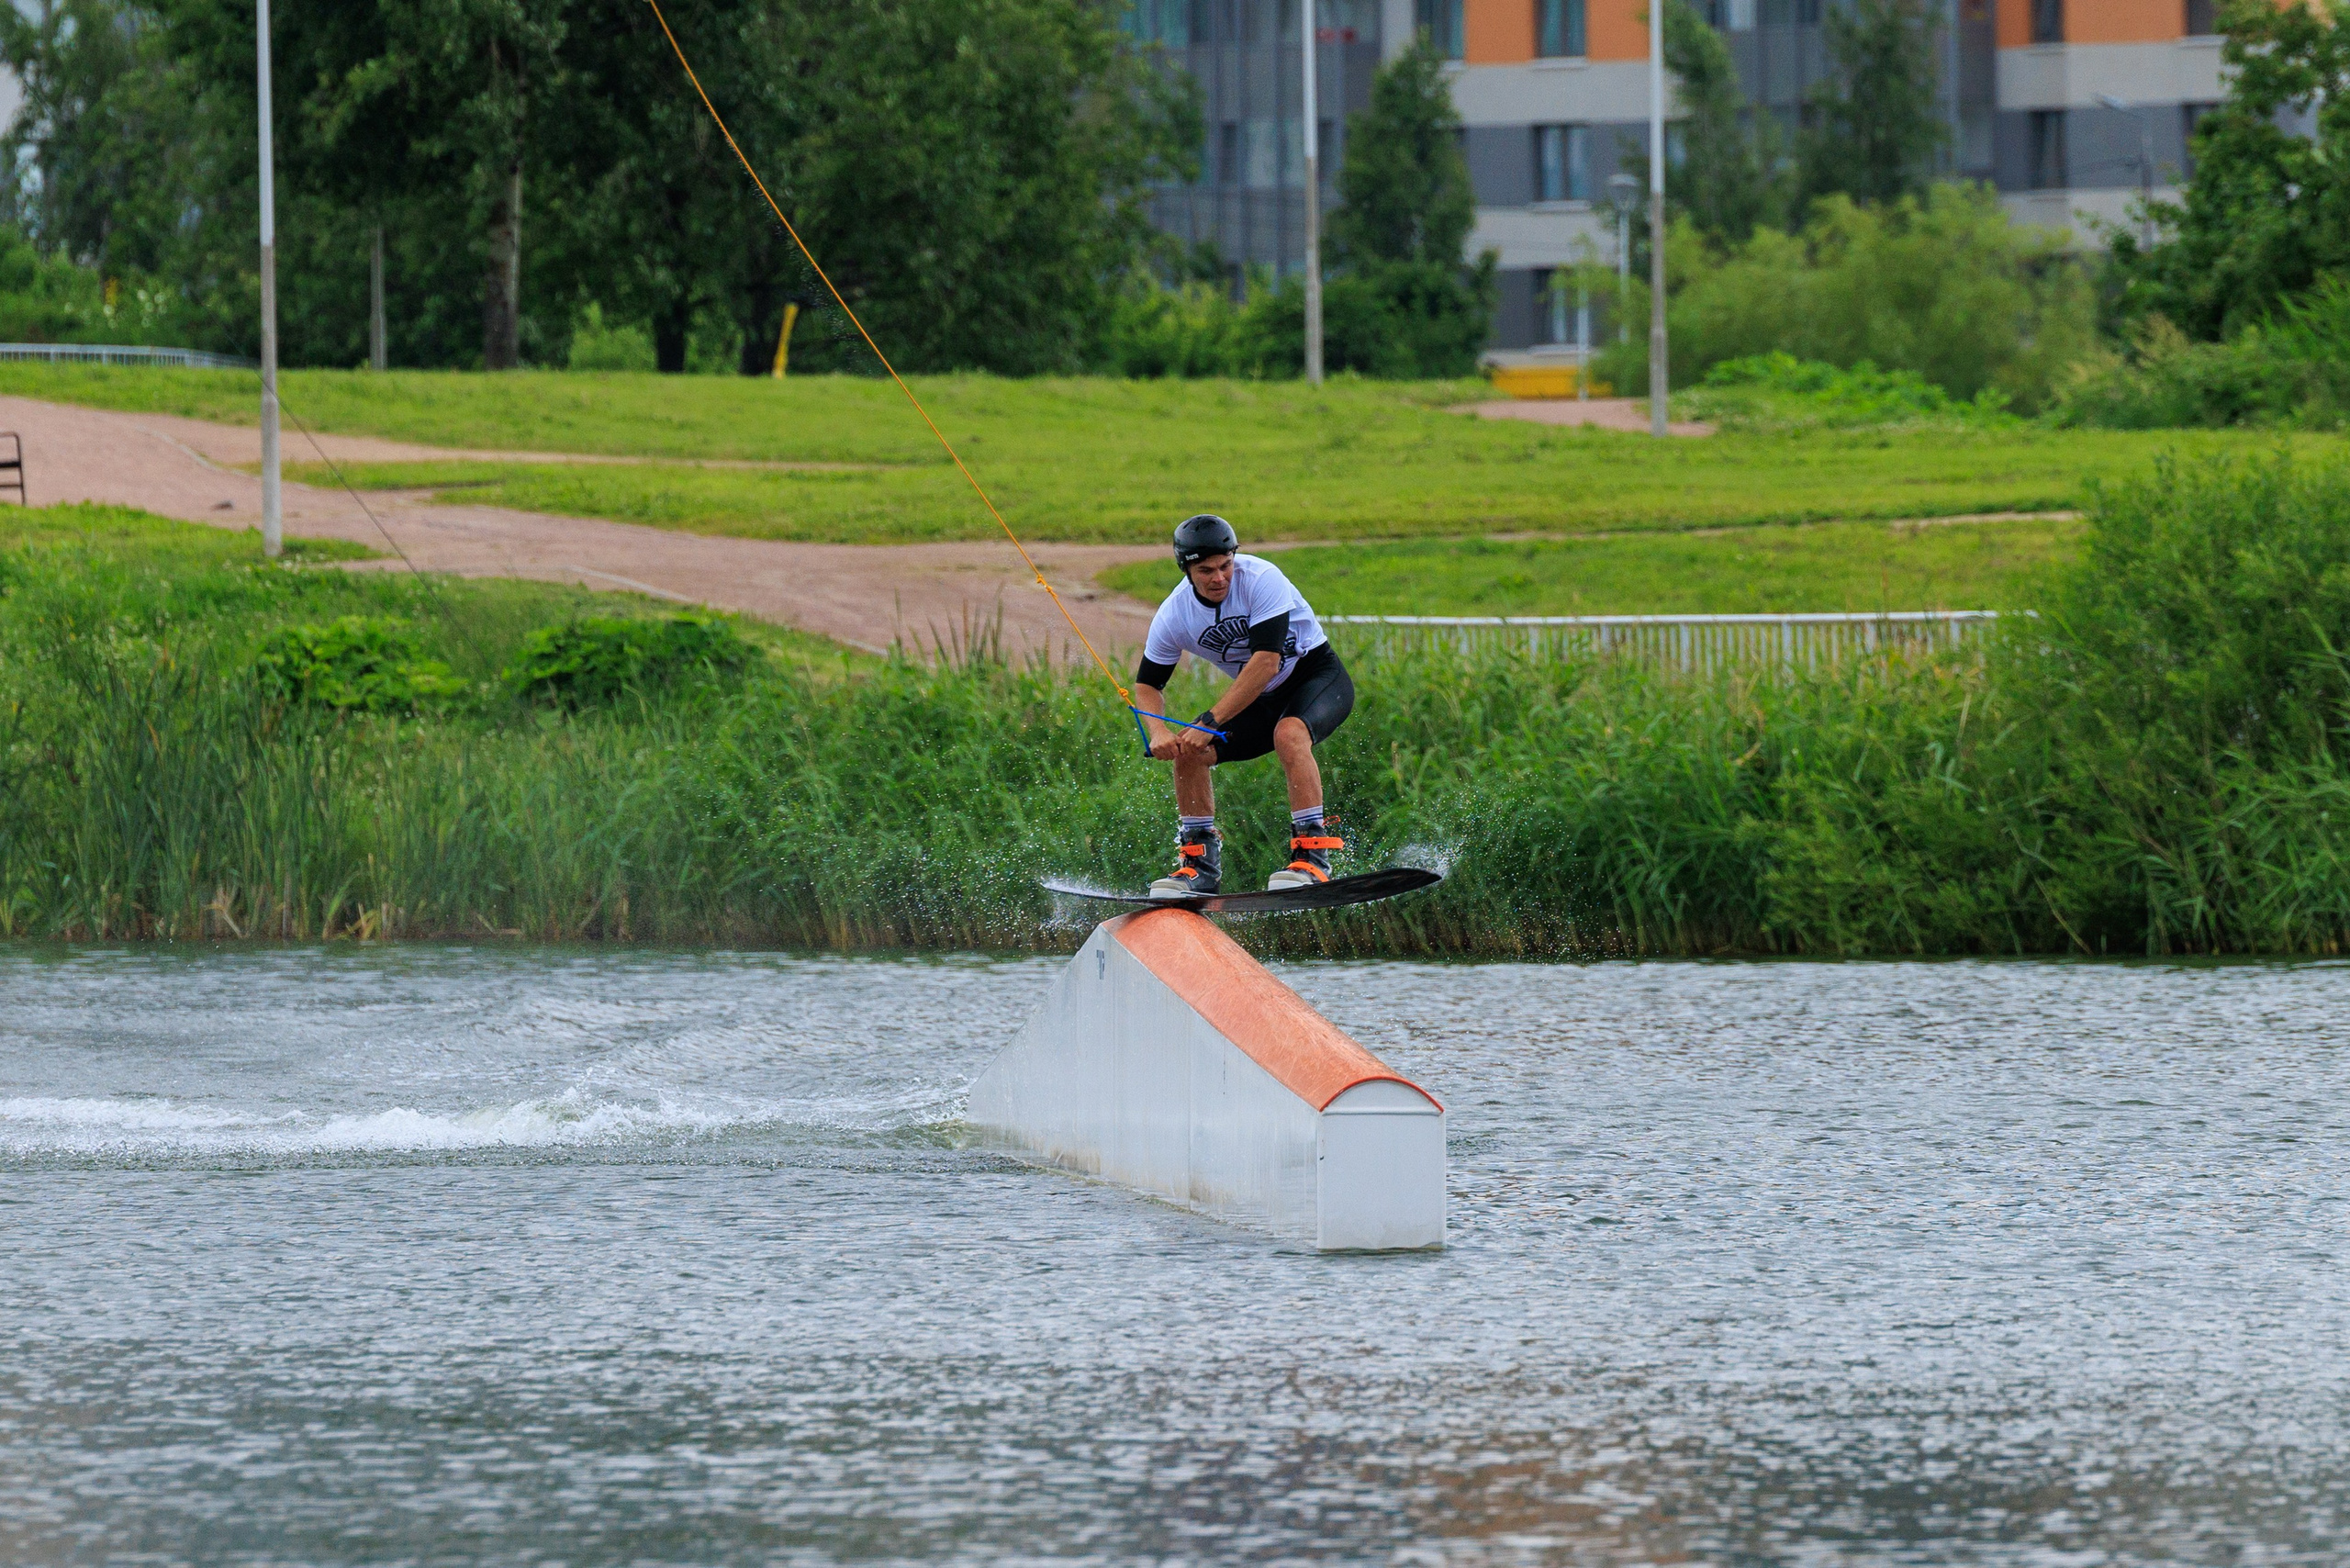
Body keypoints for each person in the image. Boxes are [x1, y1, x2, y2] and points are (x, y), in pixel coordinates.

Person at [1132, 513, 1355, 895]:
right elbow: (1147, 684)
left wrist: (1209, 721)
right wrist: (1158, 731)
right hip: (1260, 696)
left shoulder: (1262, 578)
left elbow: (1266, 663)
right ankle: (1199, 867)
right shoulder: (1173, 614)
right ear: (1186, 569)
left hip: (1316, 676)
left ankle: (1312, 858)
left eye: (1225, 566)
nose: (1219, 578)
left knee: (1289, 733)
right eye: (1206, 570)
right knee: (1189, 750)